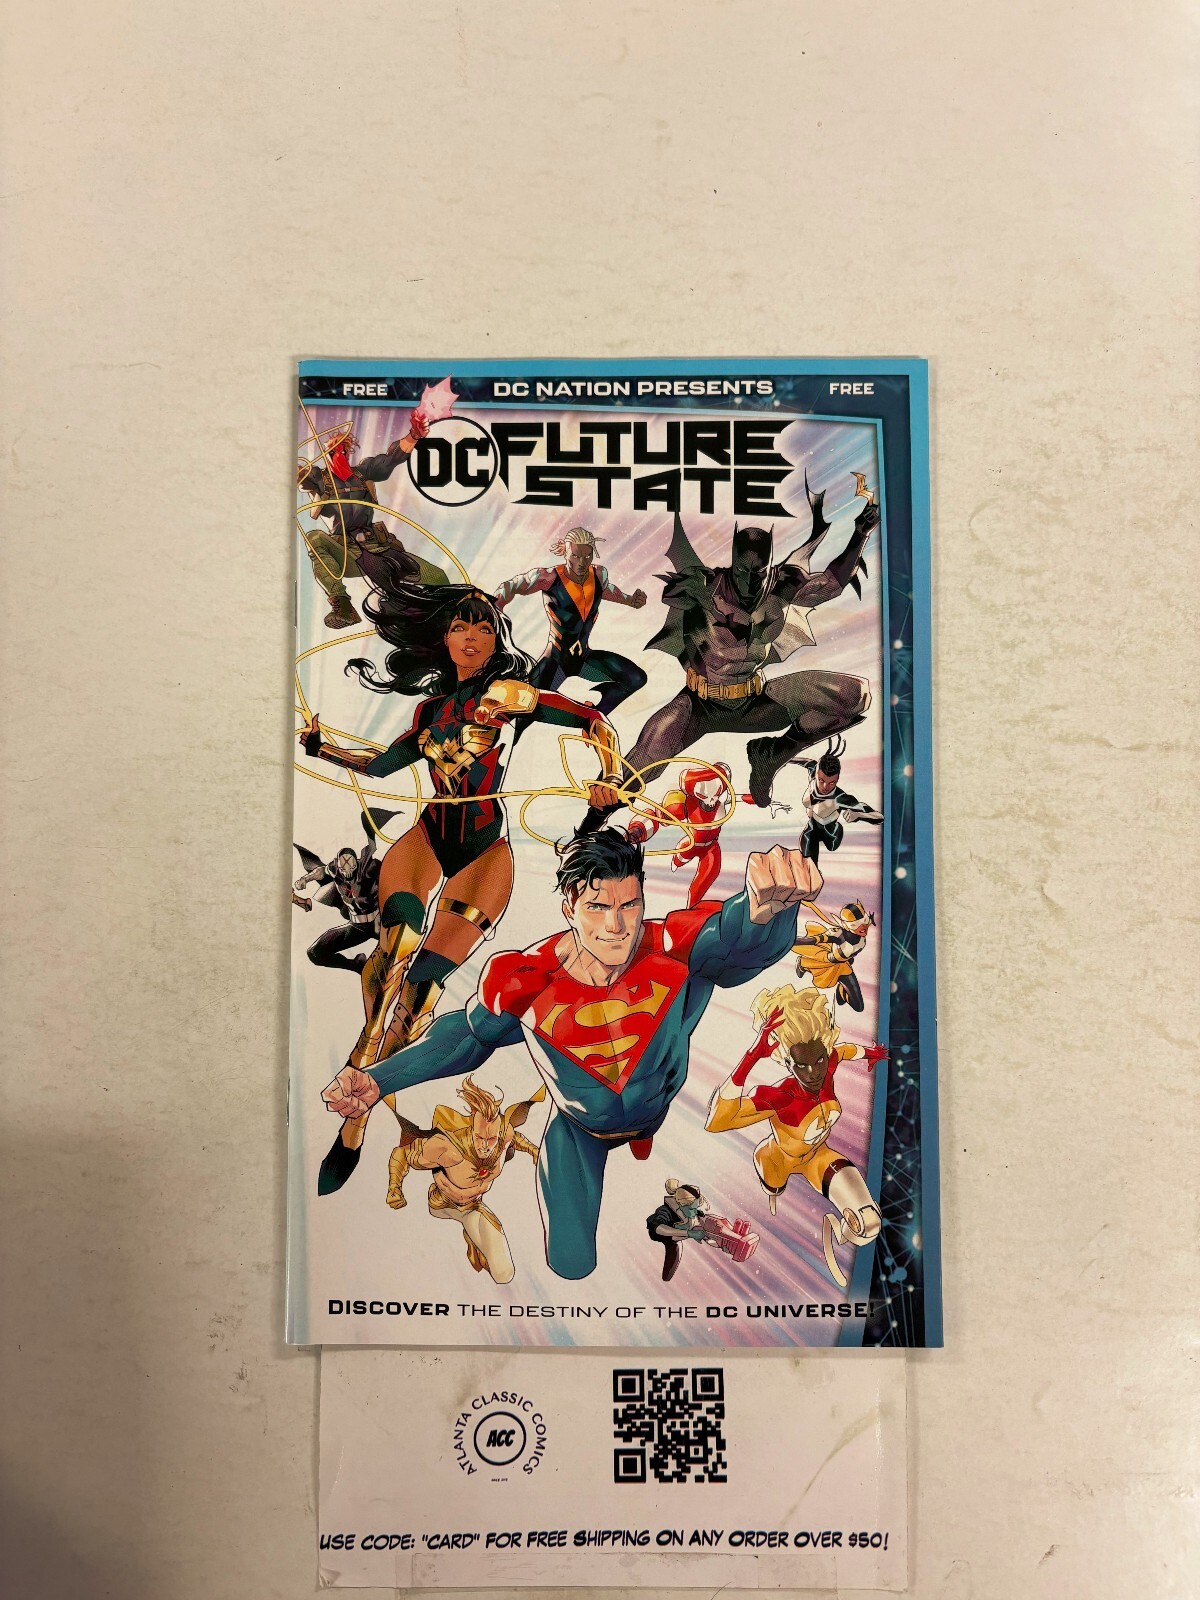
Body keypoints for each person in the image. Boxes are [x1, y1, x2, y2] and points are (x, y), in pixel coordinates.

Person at [319, 828, 822, 1279]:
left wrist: (765, 909)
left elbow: (733, 942)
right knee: (570, 1263)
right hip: (581, 1132)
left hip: (655, 1107)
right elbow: (466, 1038)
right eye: (597, 907)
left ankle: (660, 1177)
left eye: (629, 905)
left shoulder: (672, 946)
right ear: (569, 908)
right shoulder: (526, 978)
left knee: (707, 964)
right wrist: (379, 1079)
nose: (617, 926)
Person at [298, 567, 624, 1197]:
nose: (471, 635)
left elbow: (593, 720)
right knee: (393, 947)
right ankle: (361, 1066)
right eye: (459, 625)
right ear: (444, 639)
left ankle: (357, 1111)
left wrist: (609, 777)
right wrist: (321, 748)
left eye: (483, 626)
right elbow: (382, 763)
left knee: (419, 992)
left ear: (497, 637)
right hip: (428, 835)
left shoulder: (508, 695)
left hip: (482, 850)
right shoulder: (429, 710)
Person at [579, 475, 878, 828]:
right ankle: (586, 830)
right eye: (742, 571)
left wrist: (861, 534)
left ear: (769, 567)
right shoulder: (704, 585)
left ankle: (773, 754)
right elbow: (671, 594)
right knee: (637, 767)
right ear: (733, 562)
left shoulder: (782, 585)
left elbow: (831, 584)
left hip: (757, 701)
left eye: (758, 572)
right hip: (699, 706)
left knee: (855, 695)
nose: (749, 582)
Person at [704, 983, 887, 1286]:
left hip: (818, 1158)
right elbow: (717, 1120)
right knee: (774, 1191)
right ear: (788, 1063)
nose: (813, 1073)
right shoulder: (780, 1097)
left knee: (869, 1223)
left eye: (819, 1061)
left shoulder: (829, 1063)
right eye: (801, 1066)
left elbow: (845, 1050)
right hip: (777, 1160)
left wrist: (871, 1053)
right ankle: (774, 1197)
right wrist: (752, 1056)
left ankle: (841, 1231)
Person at [384, 1076, 544, 1285]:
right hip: (445, 1204)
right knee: (502, 1270)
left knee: (503, 1273)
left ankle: (477, 1244)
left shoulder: (503, 1133)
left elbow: (514, 1138)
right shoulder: (449, 1149)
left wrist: (533, 1150)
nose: (485, 1146)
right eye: (480, 1138)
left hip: (473, 1205)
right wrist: (394, 1187)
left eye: (491, 1139)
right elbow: (403, 1153)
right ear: (472, 1129)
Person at [297, 415, 447, 629]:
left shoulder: (364, 472)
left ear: (347, 451)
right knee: (315, 538)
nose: (338, 453)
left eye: (342, 449)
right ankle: (342, 605)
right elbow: (300, 478)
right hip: (345, 554)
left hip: (379, 549)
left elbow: (391, 458)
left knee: (438, 577)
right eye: (333, 449)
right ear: (326, 452)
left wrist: (414, 435)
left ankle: (441, 618)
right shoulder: (318, 478)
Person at [494, 526, 648, 714]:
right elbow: (512, 586)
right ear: (565, 552)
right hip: (556, 661)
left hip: (584, 659)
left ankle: (594, 716)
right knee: (520, 710)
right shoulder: (548, 577)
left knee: (636, 678)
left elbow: (606, 590)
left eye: (587, 556)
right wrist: (494, 609)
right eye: (575, 556)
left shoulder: (599, 575)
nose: (581, 563)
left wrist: (630, 600)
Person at [291, 809, 399, 975]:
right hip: (357, 926)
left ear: (356, 864)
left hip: (380, 923)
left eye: (351, 869)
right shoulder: (335, 869)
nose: (347, 873)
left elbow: (390, 874)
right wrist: (305, 879)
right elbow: (321, 871)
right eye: (343, 870)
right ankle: (357, 965)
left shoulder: (368, 868)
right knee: (314, 954)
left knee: (396, 950)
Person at [626, 761, 733, 907]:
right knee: (679, 860)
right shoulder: (685, 804)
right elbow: (658, 816)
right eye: (704, 790)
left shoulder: (723, 802)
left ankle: (691, 911)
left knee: (703, 883)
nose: (711, 797)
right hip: (690, 845)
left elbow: (743, 797)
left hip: (711, 848)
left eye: (716, 788)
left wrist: (760, 799)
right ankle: (677, 864)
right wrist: (637, 830)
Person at [793, 738, 883, 863]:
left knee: (830, 846)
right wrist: (784, 761)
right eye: (821, 780)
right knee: (807, 857)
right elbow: (807, 762)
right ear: (817, 773)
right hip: (812, 827)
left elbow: (879, 817)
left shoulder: (840, 798)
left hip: (831, 833)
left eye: (832, 782)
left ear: (838, 778)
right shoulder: (813, 773)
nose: (825, 787)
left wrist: (858, 815)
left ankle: (835, 832)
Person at [793, 900, 874, 1012]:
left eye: (865, 921)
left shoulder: (860, 935)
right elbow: (814, 940)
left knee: (858, 1007)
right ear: (846, 925)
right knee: (818, 962)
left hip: (844, 966)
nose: (863, 927)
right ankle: (803, 963)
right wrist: (791, 940)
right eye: (855, 924)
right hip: (828, 961)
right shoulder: (838, 934)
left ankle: (842, 991)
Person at [645, 1179, 719, 1281]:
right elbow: (658, 1228)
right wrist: (689, 1233)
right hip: (662, 1234)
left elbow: (701, 1225)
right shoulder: (665, 1211)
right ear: (681, 1205)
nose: (694, 1211)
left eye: (695, 1208)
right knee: (676, 1248)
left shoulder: (692, 1211)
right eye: (692, 1209)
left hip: (681, 1230)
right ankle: (666, 1278)